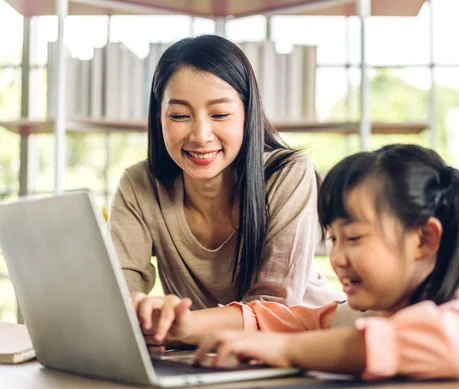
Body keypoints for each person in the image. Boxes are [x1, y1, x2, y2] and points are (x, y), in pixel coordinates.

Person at [177, 144, 459, 380]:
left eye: (354, 238)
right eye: (333, 239)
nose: (336, 258)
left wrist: (286, 351)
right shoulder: (369, 313)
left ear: (424, 239)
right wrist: (185, 325)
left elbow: (449, 345)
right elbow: (289, 320)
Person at [108, 34, 341, 348]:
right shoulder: (139, 185)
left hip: (305, 352)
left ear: (247, 113)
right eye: (179, 115)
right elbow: (116, 296)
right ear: (158, 116)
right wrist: (140, 317)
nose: (201, 136)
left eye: (219, 115)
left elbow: (273, 309)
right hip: (205, 354)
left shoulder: (287, 173)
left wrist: (180, 325)